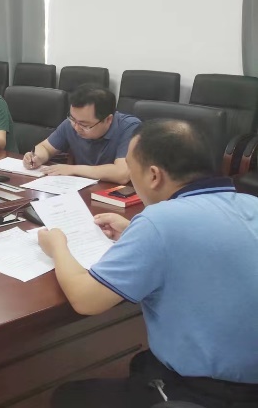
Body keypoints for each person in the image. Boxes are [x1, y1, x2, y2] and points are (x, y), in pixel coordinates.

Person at [39, 119, 258, 407]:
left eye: (132, 170)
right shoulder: (250, 203)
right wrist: (134, 232)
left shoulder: (159, 221)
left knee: (69, 397)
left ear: (153, 175)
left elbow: (86, 299)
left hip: (206, 391)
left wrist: (57, 246)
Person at [23, 84, 139, 184]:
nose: (76, 127)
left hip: (114, 195)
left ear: (108, 119)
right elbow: (46, 147)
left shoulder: (130, 127)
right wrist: (36, 157)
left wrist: (73, 169)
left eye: (84, 125)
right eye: (73, 119)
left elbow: (122, 173)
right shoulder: (72, 123)